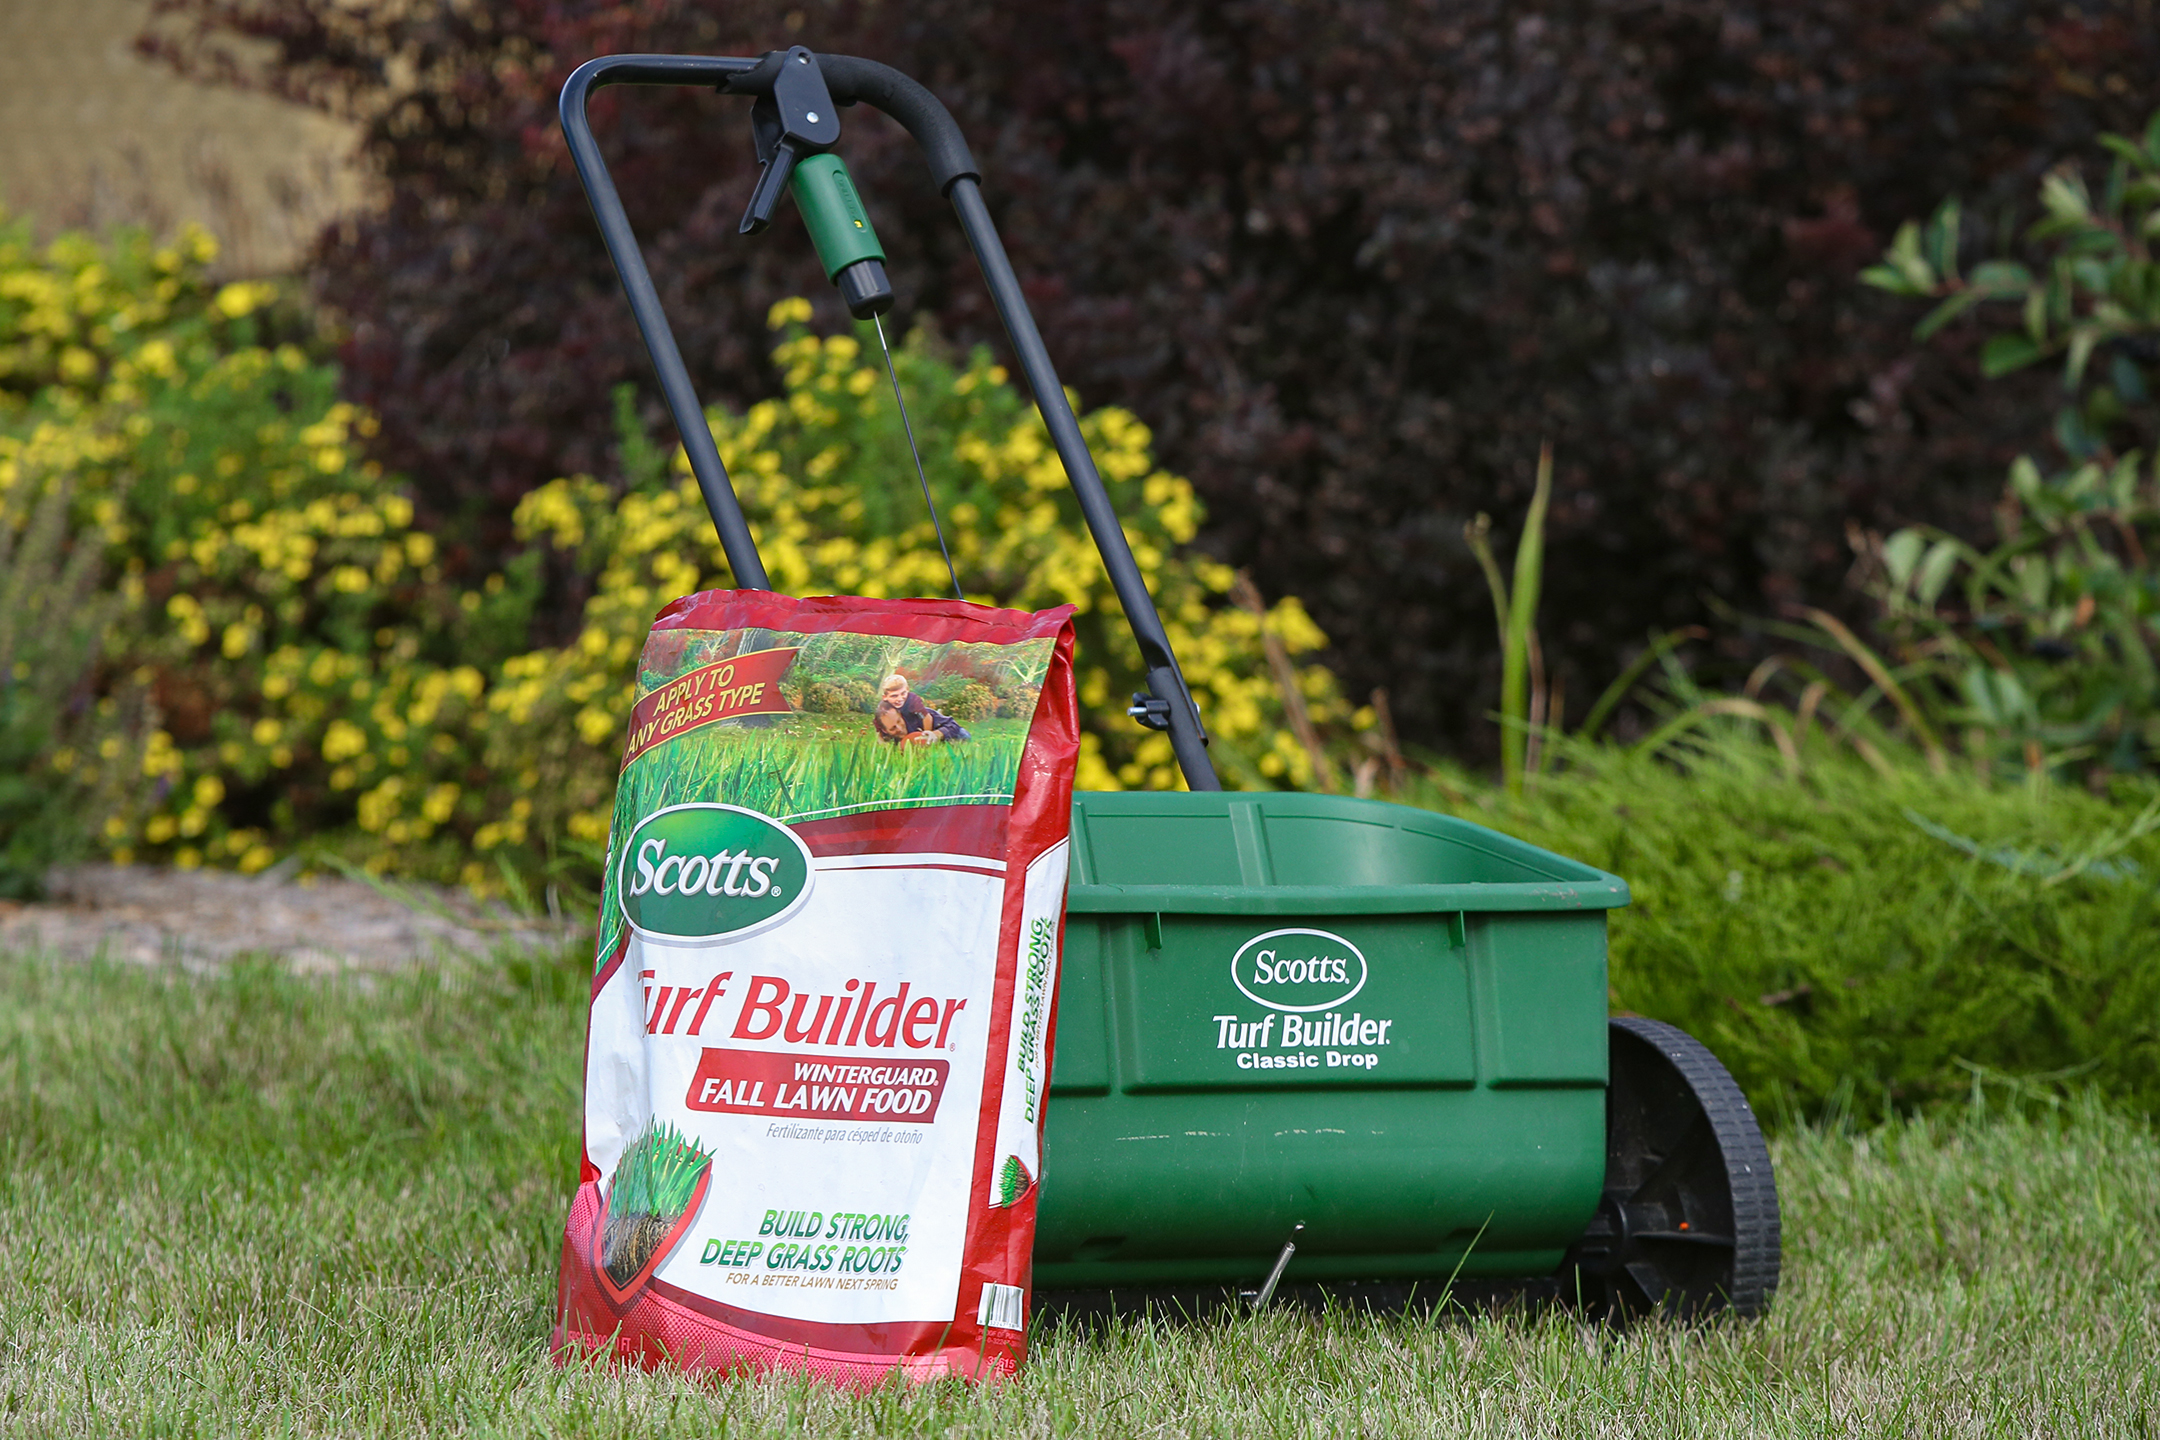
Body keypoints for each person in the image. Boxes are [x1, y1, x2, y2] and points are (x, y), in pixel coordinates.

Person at [873, 673, 969, 744]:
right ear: (885, 697)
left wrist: (927, 735)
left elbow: (927, 717)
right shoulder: (883, 711)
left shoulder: (913, 702)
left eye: (903, 694)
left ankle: (940, 719)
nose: (899, 699)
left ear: (907, 690)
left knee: (963, 735)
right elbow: (879, 732)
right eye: (894, 696)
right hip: (914, 728)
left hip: (935, 723)